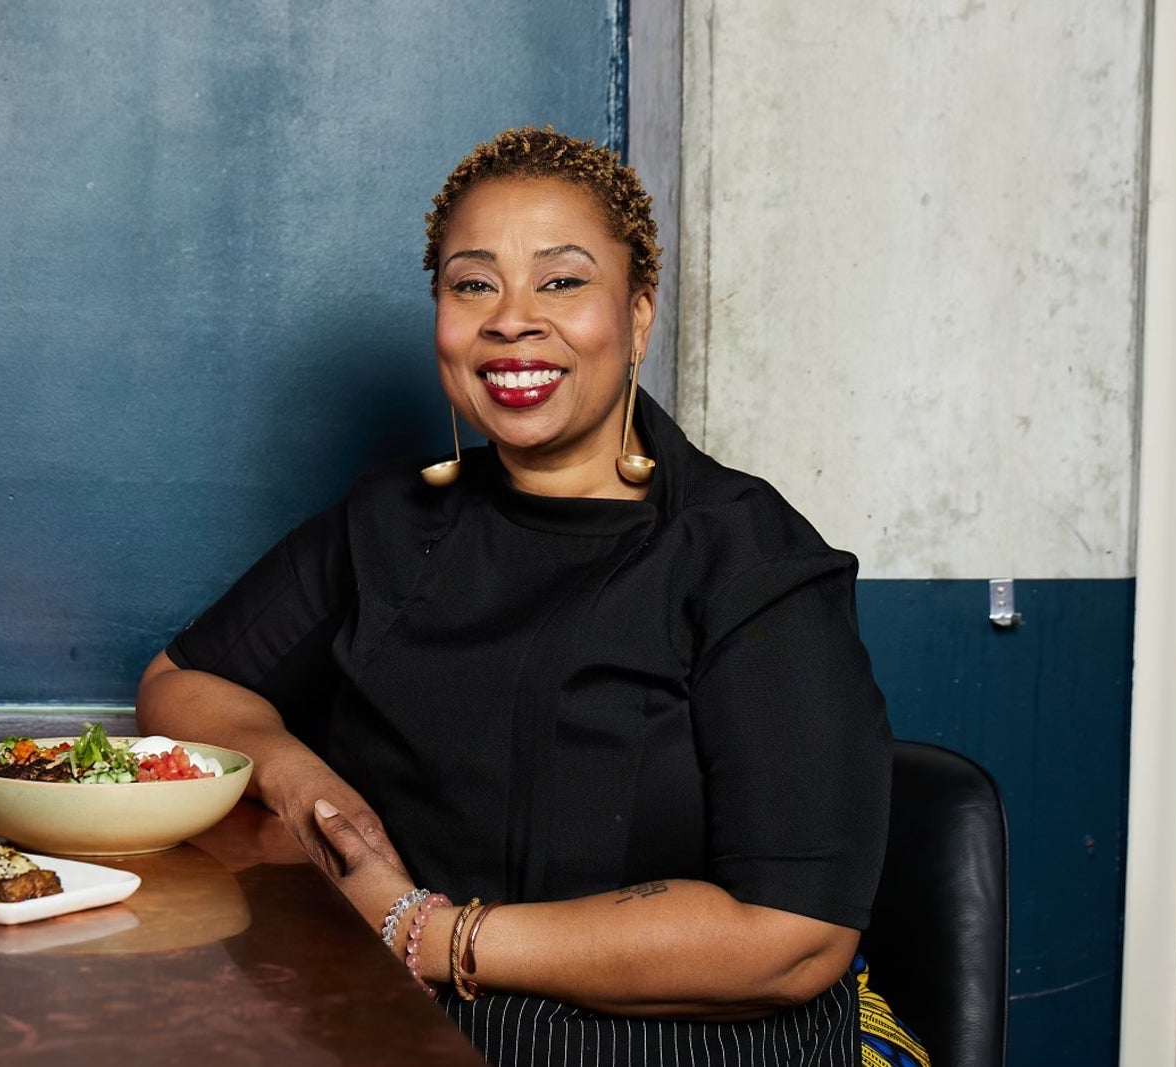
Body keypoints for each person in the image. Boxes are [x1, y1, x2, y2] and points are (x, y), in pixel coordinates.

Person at [136, 127, 928, 1067]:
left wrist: (427, 933)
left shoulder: (749, 558)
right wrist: (307, 790)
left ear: (638, 315)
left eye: (561, 281)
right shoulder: (389, 521)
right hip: (405, 1028)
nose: (511, 320)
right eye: (474, 284)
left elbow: (793, 937)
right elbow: (182, 683)